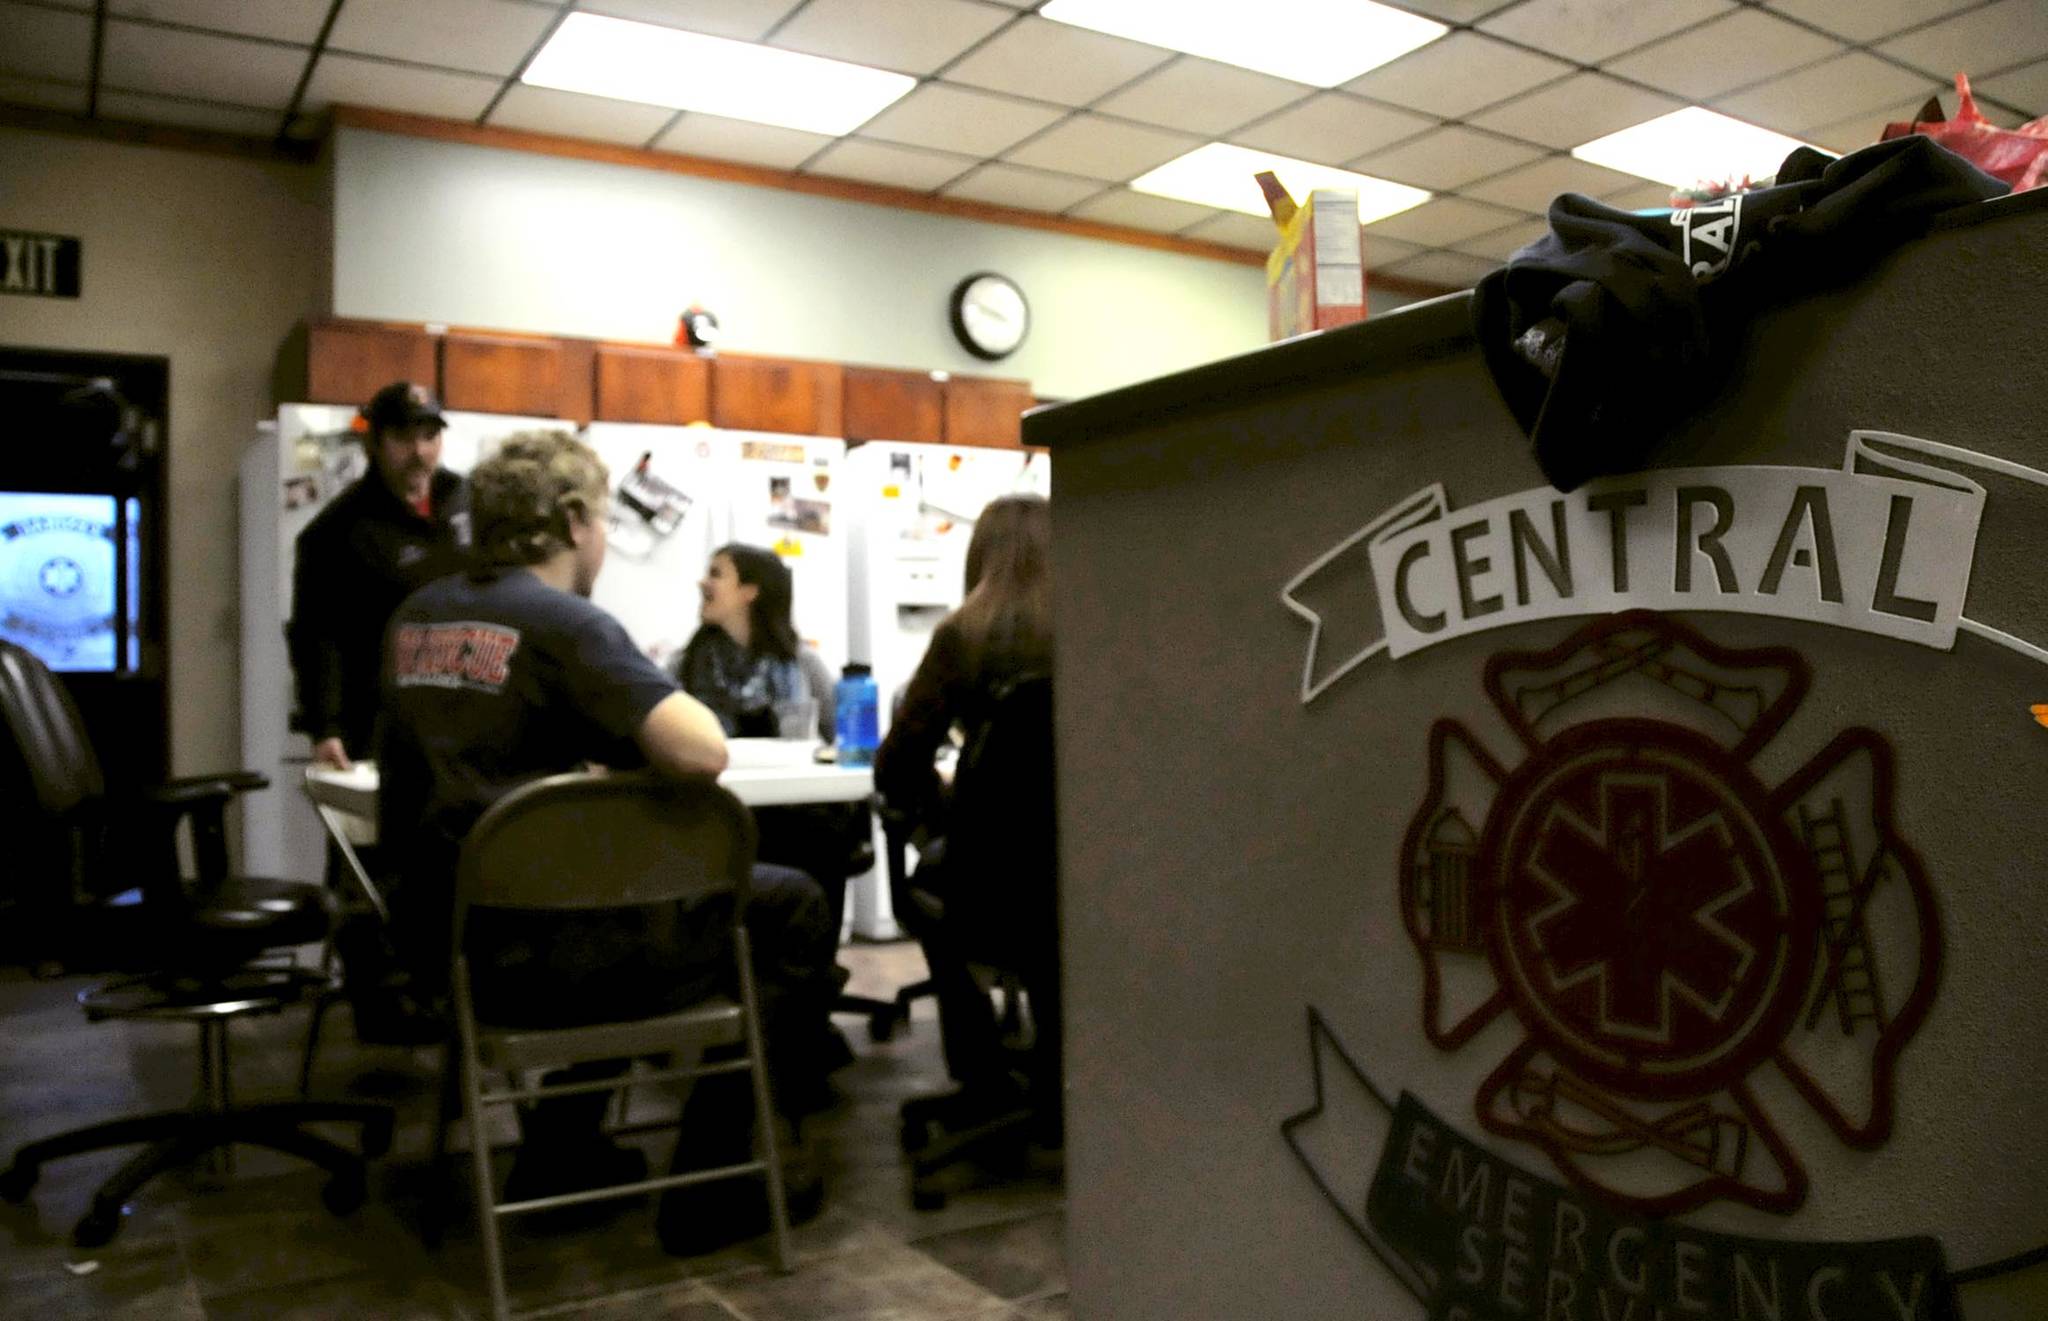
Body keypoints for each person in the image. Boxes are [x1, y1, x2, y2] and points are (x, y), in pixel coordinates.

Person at [375, 430, 836, 1252]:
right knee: (791, 902)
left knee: (608, 893)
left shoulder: (419, 614)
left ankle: (558, 1155)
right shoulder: (565, 621)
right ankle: (716, 1183)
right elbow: (703, 750)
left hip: (448, 946)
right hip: (554, 959)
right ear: (578, 517)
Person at [872, 494, 1053, 1104]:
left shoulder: (962, 636)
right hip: (1086, 870)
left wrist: (951, 800)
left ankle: (981, 1074)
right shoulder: (1101, 633)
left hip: (988, 878)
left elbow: (897, 770)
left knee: (936, 890)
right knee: (1050, 911)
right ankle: (1061, 1066)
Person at [288, 381, 468, 772]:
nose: (419, 451)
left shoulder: (468, 499)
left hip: (468, 716)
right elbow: (317, 636)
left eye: (430, 436)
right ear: (374, 443)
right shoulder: (336, 531)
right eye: (403, 437)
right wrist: (326, 728)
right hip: (379, 728)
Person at [674, 544, 836, 743]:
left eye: (715, 574)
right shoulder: (685, 663)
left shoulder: (801, 660)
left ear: (749, 591)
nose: (702, 583)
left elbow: (842, 737)